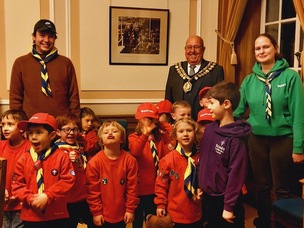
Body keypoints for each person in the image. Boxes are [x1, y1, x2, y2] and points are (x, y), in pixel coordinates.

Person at [234, 33, 304, 228]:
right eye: (258, 48)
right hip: (256, 139)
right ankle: (264, 222)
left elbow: (299, 114)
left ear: (275, 49)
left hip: (284, 139)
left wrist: (298, 147)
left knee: (282, 187)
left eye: (266, 47)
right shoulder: (249, 80)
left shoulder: (290, 76)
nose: (262, 51)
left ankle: (283, 224)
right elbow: (238, 111)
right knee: (262, 186)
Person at [198, 81, 251, 228]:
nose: (208, 107)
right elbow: (203, 162)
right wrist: (199, 184)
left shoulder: (236, 139)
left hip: (227, 201)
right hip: (208, 197)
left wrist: (228, 206)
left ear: (226, 104)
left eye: (212, 103)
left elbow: (237, 175)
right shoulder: (209, 130)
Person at [12, 112, 75, 228]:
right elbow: (17, 185)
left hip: (57, 215)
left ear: (51, 136)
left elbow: (68, 180)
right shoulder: (23, 159)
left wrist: (47, 196)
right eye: (30, 133)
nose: (33, 137)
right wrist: (31, 199)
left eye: (39, 132)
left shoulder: (62, 157)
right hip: (31, 216)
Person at [9, 19, 80, 118]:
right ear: (34, 37)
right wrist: (18, 123)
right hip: (31, 124)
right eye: (42, 35)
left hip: (62, 124)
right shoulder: (20, 63)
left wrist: (74, 121)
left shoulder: (66, 63)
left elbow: (73, 97)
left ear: (55, 38)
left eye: (50, 36)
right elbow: (15, 99)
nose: (46, 40)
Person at [85, 120, 139, 228]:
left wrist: (130, 209)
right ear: (101, 141)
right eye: (106, 132)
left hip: (121, 214)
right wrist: (96, 212)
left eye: (114, 131)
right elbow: (92, 191)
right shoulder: (94, 163)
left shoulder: (130, 161)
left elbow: (132, 188)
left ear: (122, 139)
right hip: (101, 215)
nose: (110, 133)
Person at [128, 102, 171, 228]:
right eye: (145, 119)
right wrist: (145, 134)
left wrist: (159, 123)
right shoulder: (134, 137)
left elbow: (173, 133)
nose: (147, 122)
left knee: (153, 221)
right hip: (139, 189)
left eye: (151, 119)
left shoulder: (160, 138)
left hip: (156, 188)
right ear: (139, 120)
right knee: (137, 222)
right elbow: (135, 151)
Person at [154, 118, 202, 227]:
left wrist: (202, 188)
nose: (185, 134)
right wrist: (160, 204)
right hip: (175, 213)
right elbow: (161, 185)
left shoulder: (201, 157)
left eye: (189, 130)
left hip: (196, 212)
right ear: (175, 136)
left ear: (195, 133)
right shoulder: (168, 160)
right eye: (181, 131)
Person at [165, 35, 224, 121]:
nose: (192, 51)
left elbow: (219, 101)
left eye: (197, 47)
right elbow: (168, 100)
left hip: (204, 124)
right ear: (185, 49)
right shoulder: (174, 70)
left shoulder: (215, 70)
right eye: (189, 47)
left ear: (203, 49)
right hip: (179, 127)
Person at [54, 113, 96, 228]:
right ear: (58, 132)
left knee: (94, 222)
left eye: (74, 129)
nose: (71, 133)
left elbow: (91, 144)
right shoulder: (57, 149)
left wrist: (80, 135)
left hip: (83, 195)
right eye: (67, 130)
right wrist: (66, 159)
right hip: (69, 199)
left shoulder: (78, 145)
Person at [0, 110, 31, 228]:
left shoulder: (30, 147)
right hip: (4, 203)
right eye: (3, 125)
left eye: (10, 124)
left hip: (21, 204)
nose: (5, 128)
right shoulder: (1, 146)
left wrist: (19, 194)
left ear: (21, 127)